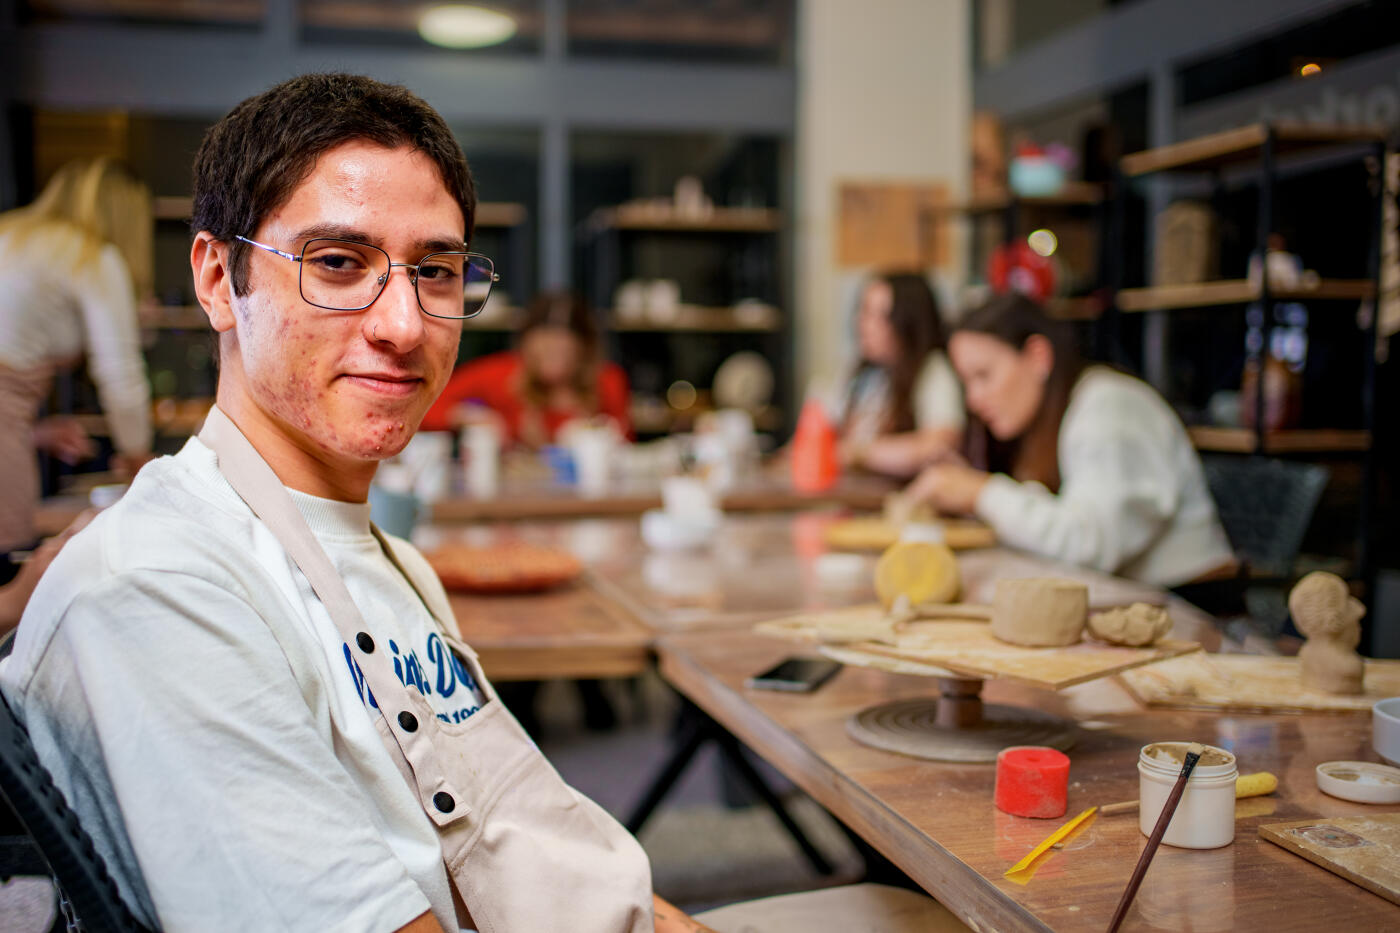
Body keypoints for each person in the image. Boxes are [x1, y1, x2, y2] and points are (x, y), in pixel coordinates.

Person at [0, 73, 718, 933]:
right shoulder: (157, 582)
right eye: (338, 264)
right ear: (218, 281)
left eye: (436, 270)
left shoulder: (397, 564)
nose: (405, 324)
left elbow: (515, 859)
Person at [905, 293, 1233, 587]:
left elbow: (1089, 545)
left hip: (1200, 613)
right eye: (966, 383)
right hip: (1139, 603)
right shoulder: (1051, 416)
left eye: (984, 375)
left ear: (1037, 356)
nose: (974, 400)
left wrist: (980, 493)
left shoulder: (1108, 407)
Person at [0, 157, 154, 581]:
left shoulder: (12, 234)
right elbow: (120, 373)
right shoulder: (91, 255)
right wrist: (141, 460)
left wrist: (33, 433)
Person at [419, 290, 630, 447]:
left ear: (585, 349)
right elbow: (423, 405)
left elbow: (626, 444)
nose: (553, 349)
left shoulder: (607, 380)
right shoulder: (501, 373)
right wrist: (467, 416)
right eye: (544, 349)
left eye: (562, 349)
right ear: (525, 347)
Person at [836, 271, 963, 478]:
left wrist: (858, 452)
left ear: (910, 321)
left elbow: (937, 445)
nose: (863, 324)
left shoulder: (932, 371)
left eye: (880, 315)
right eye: (864, 311)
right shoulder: (867, 375)